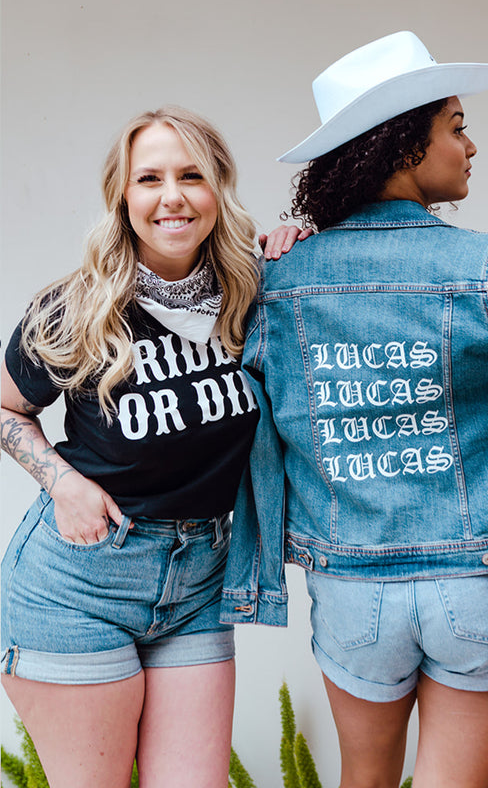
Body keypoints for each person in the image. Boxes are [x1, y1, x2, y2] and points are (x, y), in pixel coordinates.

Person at [220, 31, 488, 788]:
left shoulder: (281, 279)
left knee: (363, 779)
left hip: (353, 590)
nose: (470, 146)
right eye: (457, 127)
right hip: (482, 584)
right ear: (405, 143)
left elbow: (257, 425)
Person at [1, 106, 260, 787]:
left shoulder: (252, 295)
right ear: (123, 195)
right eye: (150, 178)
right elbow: (4, 405)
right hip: (78, 583)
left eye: (191, 176)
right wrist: (62, 482)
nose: (172, 196)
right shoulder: (78, 308)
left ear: (218, 188)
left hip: (200, 579)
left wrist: (298, 239)